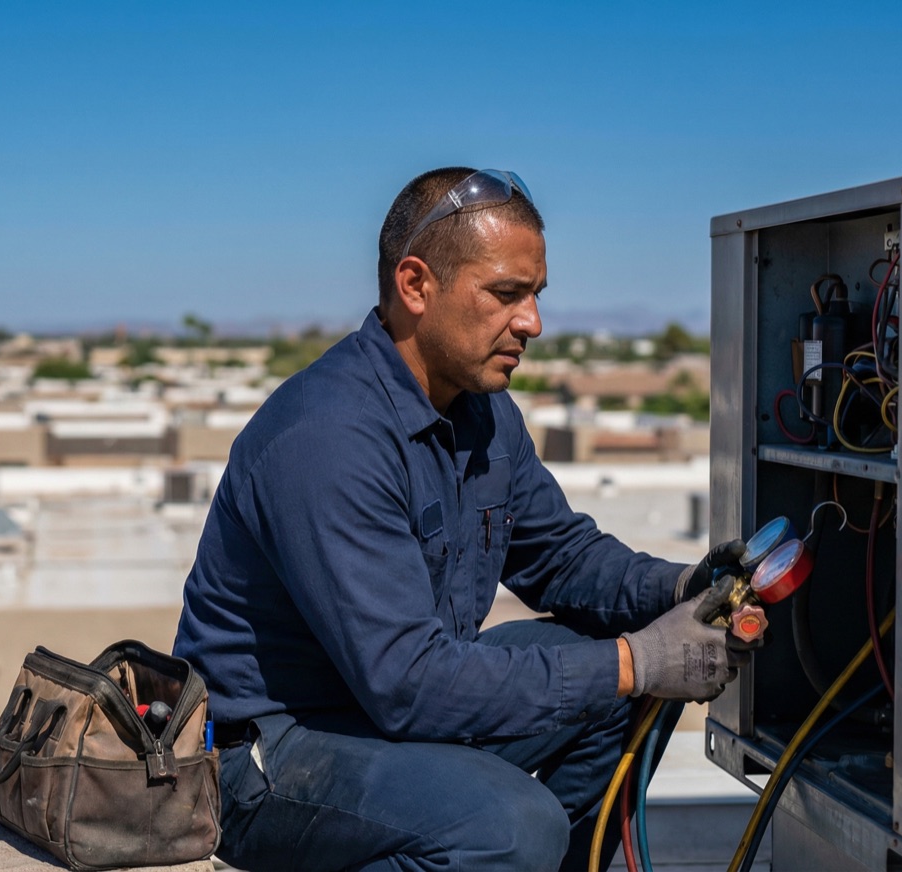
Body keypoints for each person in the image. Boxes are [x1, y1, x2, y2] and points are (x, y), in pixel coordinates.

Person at [173, 167, 746, 872]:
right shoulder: (327, 436)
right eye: (507, 294)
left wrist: (687, 587)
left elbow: (563, 559)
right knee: (510, 825)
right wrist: (634, 662)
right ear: (416, 286)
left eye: (535, 296)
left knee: (607, 667)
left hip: (383, 719)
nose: (532, 322)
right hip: (269, 758)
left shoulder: (482, 413)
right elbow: (407, 683)